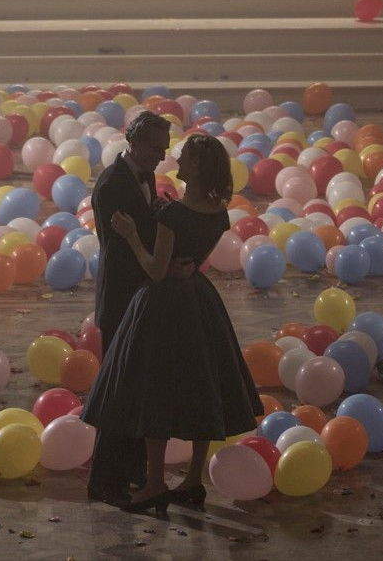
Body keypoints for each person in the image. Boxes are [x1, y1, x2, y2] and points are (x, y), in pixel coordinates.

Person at [82, 132, 263, 514]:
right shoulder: (219, 212)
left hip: (162, 306)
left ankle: (154, 484)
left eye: (184, 157)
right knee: (200, 387)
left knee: (155, 391)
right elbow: (191, 258)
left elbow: (156, 269)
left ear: (196, 167)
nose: (175, 159)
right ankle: (194, 480)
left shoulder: (173, 215)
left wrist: (132, 235)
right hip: (198, 301)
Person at [85, 110, 171, 505]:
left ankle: (134, 468)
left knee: (139, 388)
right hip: (122, 298)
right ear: (134, 142)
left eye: (164, 149)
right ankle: (104, 479)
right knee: (117, 391)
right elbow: (122, 250)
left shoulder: (145, 175)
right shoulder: (111, 185)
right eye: (155, 148)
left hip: (140, 298)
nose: (161, 156)